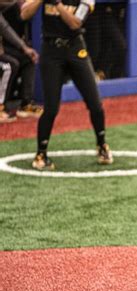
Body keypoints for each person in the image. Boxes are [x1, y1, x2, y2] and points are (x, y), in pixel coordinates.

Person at [21, 0, 112, 170]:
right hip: (51, 51)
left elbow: (75, 24)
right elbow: (24, 13)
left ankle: (102, 145)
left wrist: (58, 4)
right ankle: (41, 154)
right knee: (51, 108)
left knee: (95, 103)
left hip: (76, 49)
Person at [3, 0, 43, 118]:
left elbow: (6, 29)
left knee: (27, 58)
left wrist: (24, 47)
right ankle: (1, 106)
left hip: (8, 47)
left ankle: (26, 104)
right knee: (9, 65)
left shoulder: (13, 6)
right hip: (5, 48)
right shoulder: (10, 7)